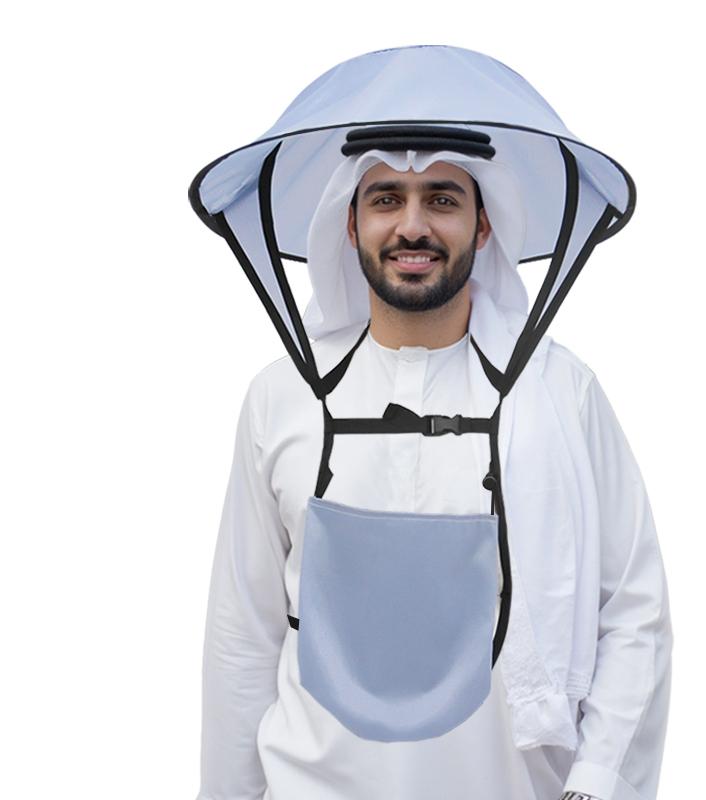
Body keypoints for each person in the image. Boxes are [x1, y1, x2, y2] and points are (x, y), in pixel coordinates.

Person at [189, 46, 673, 800]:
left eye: (442, 199)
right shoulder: (280, 398)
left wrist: (599, 781)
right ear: (349, 225)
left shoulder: (560, 395)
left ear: (483, 228)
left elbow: (634, 611)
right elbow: (242, 638)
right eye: (386, 198)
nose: (411, 226)